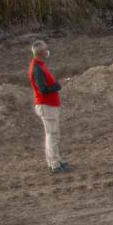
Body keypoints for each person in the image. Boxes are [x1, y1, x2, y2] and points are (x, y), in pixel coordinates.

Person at [28, 40, 70, 173]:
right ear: (41, 53)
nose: (48, 51)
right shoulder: (37, 69)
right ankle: (54, 164)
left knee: (53, 134)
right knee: (52, 135)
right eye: (46, 49)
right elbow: (43, 90)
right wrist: (58, 85)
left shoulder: (39, 65)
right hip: (46, 105)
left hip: (48, 105)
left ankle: (55, 160)